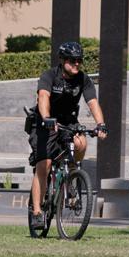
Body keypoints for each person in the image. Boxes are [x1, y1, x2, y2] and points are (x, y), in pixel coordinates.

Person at [28, 41, 108, 229]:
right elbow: (43, 97)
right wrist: (47, 118)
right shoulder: (49, 76)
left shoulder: (83, 79)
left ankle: (72, 178)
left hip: (68, 121)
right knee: (45, 164)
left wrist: (101, 124)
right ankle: (37, 212)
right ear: (62, 60)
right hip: (44, 122)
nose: (77, 64)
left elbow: (93, 102)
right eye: (72, 60)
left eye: (79, 60)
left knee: (81, 142)